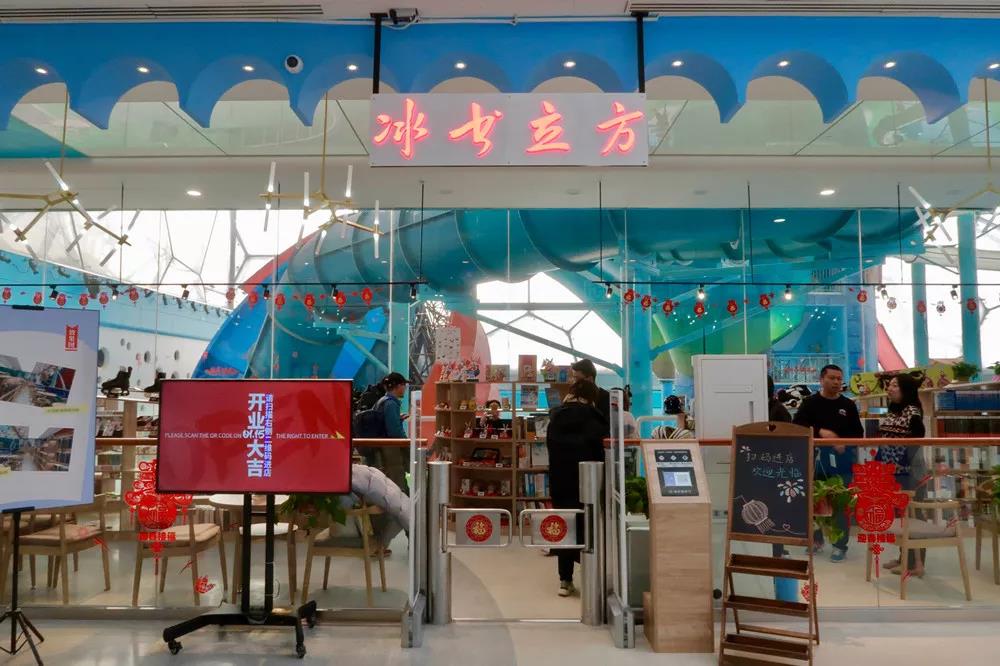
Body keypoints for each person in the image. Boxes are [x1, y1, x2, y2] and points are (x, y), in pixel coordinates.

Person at [793, 364, 863, 562]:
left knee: (839, 504)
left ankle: (840, 546)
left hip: (842, 464)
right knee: (813, 501)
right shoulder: (810, 403)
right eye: (832, 378)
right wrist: (820, 432)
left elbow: (858, 434)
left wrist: (843, 442)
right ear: (821, 379)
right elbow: (798, 426)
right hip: (814, 461)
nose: (836, 382)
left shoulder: (848, 405)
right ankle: (816, 540)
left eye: (839, 379)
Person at [546, 379, 606, 597]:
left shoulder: (556, 418)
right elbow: (601, 451)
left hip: (561, 480)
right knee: (590, 527)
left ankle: (565, 580)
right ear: (591, 397)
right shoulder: (595, 418)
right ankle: (591, 578)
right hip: (588, 481)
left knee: (565, 526)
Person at [875, 374, 928, 576]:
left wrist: (902, 462)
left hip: (909, 473)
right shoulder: (894, 410)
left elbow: (917, 441)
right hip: (893, 473)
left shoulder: (912, 412)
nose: (890, 388)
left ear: (906, 389)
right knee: (900, 516)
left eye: (895, 385)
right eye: (889, 385)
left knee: (912, 515)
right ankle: (904, 557)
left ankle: (916, 564)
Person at [570, 359, 611, 426]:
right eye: (574, 378)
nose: (574, 382)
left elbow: (606, 424)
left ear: (590, 379)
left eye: (577, 378)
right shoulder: (574, 397)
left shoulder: (605, 398)